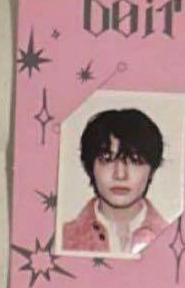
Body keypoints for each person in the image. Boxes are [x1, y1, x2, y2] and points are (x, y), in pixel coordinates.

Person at [60, 108, 168, 256]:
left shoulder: (173, 236)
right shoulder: (63, 239)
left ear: (152, 170)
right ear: (90, 166)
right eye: (107, 159)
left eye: (135, 160)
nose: (120, 175)